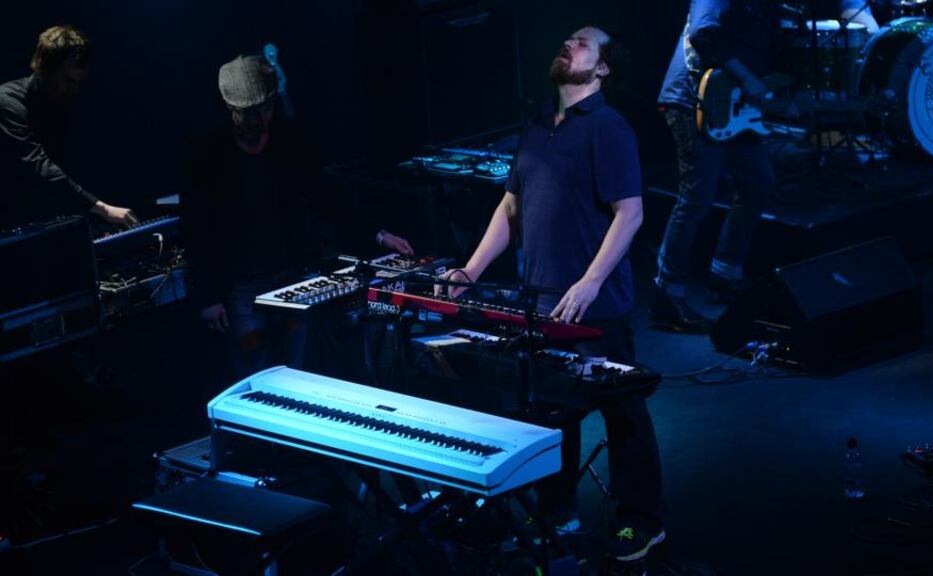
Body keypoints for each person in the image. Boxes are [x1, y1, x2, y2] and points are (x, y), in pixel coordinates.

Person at [438, 26, 664, 562]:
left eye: (584, 43)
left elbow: (630, 214)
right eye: (568, 38)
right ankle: (556, 514)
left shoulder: (608, 128)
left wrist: (589, 282)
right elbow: (510, 205)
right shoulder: (537, 124)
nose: (569, 43)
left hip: (595, 307)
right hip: (539, 301)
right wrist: (471, 268)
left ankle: (644, 521)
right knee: (549, 412)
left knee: (623, 412)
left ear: (603, 68)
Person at [650, 0, 878, 333]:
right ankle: (666, 296)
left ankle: (724, 274)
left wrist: (774, 91)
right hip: (693, 100)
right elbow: (703, 33)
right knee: (697, 196)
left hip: (734, 101)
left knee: (758, 181)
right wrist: (748, 80)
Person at [184, 54, 413, 380]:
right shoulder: (207, 154)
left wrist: (377, 233)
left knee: (295, 371)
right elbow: (197, 229)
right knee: (254, 374)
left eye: (266, 108)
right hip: (241, 284)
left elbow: (325, 194)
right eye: (250, 113)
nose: (260, 119)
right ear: (229, 106)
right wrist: (208, 297)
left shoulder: (288, 140)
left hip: (288, 274)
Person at [0, 25, 137, 231]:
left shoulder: (55, 106)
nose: (75, 90)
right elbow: (40, 168)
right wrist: (103, 209)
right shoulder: (6, 103)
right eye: (68, 80)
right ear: (44, 68)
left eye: (79, 82)